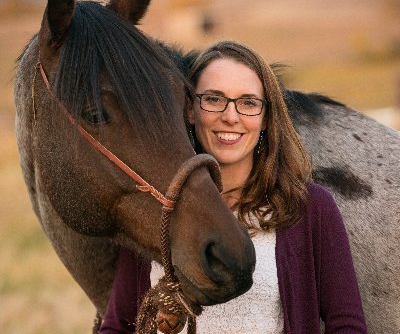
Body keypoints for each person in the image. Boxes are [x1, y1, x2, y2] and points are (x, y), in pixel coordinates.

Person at [100, 40, 367, 333]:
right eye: (214, 99)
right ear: (190, 109)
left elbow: (347, 325)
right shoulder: (154, 205)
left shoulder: (310, 208)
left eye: (248, 103)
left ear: (265, 118)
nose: (230, 116)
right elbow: (117, 326)